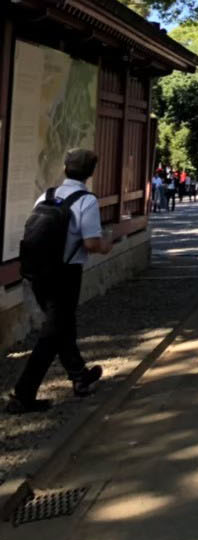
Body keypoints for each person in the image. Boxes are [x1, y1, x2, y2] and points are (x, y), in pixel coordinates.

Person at [7, 149, 112, 414]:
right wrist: (106, 245)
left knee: (62, 326)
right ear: (90, 174)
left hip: (37, 272)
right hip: (65, 274)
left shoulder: (47, 195)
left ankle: (79, 376)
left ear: (65, 169)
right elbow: (90, 243)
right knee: (53, 333)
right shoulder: (86, 201)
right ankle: (23, 394)